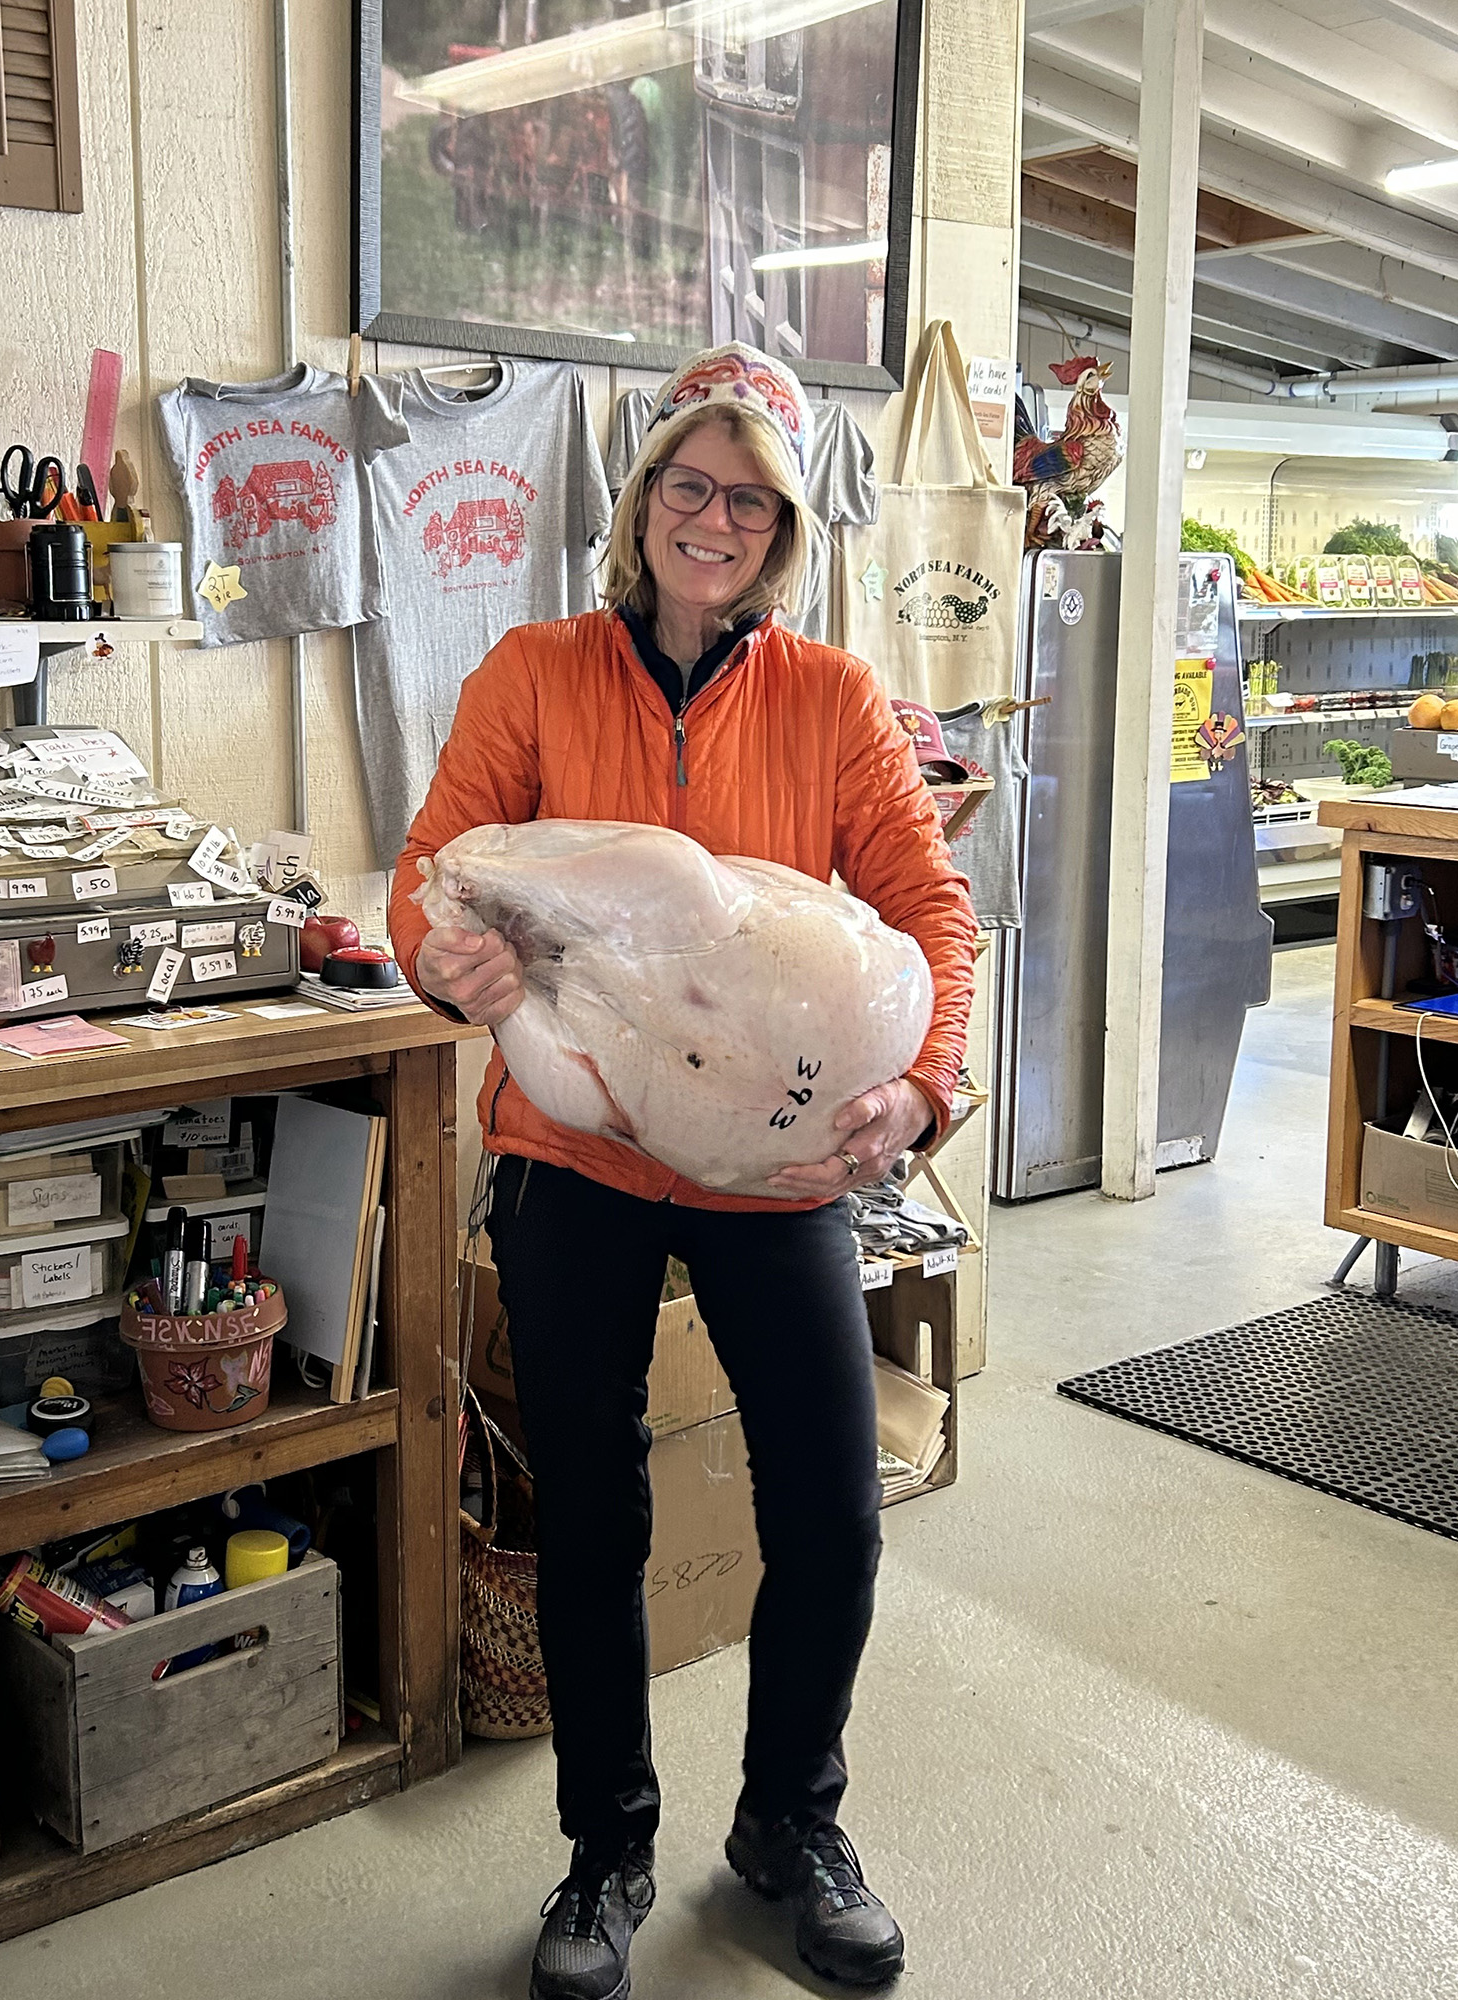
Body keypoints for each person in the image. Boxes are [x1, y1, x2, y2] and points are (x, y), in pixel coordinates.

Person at [390, 342, 978, 1998]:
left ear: (786, 532)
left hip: (775, 1166)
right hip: (571, 1151)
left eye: (751, 500)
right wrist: (454, 969)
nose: (714, 521)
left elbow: (931, 909)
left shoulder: (836, 701)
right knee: (592, 1510)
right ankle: (606, 1851)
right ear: (644, 498)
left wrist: (923, 1086)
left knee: (836, 1512)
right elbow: (431, 873)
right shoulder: (533, 672)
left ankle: (790, 1826)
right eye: (689, 486)